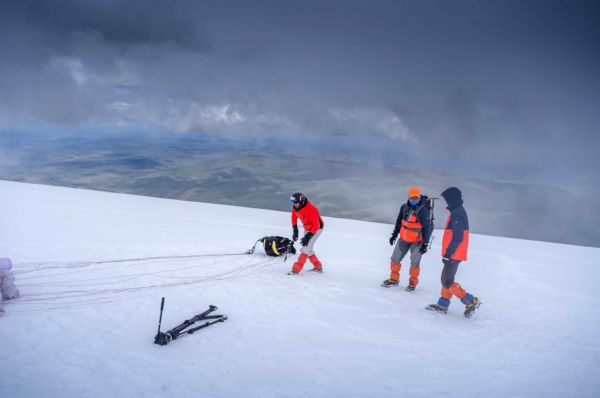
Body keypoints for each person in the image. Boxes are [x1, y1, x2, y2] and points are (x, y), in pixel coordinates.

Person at [427, 187, 480, 318]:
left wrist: (448, 253)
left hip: (454, 253)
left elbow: (458, 236)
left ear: (453, 199)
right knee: (446, 279)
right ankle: (443, 304)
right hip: (455, 253)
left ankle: (470, 300)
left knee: (446, 281)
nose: (446, 202)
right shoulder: (457, 211)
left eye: (447, 199)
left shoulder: (457, 213)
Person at [382, 187, 432, 291]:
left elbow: (427, 228)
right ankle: (394, 279)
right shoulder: (404, 207)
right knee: (394, 259)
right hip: (403, 239)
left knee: (414, 263)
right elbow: (399, 221)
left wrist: (425, 244)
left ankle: (412, 283)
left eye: (416, 198)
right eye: (411, 198)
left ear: (419, 197)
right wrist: (394, 235)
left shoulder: (423, 210)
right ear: (408, 198)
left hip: (417, 242)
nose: (414, 200)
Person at [288, 192, 325, 275]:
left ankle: (296, 269)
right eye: (293, 202)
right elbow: (294, 217)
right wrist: (295, 231)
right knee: (309, 249)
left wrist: (308, 236)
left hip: (317, 229)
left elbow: (316, 225)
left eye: (296, 202)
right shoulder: (296, 207)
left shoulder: (312, 209)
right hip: (307, 228)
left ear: (301, 201)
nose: (294, 204)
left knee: (305, 249)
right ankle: (318, 267)